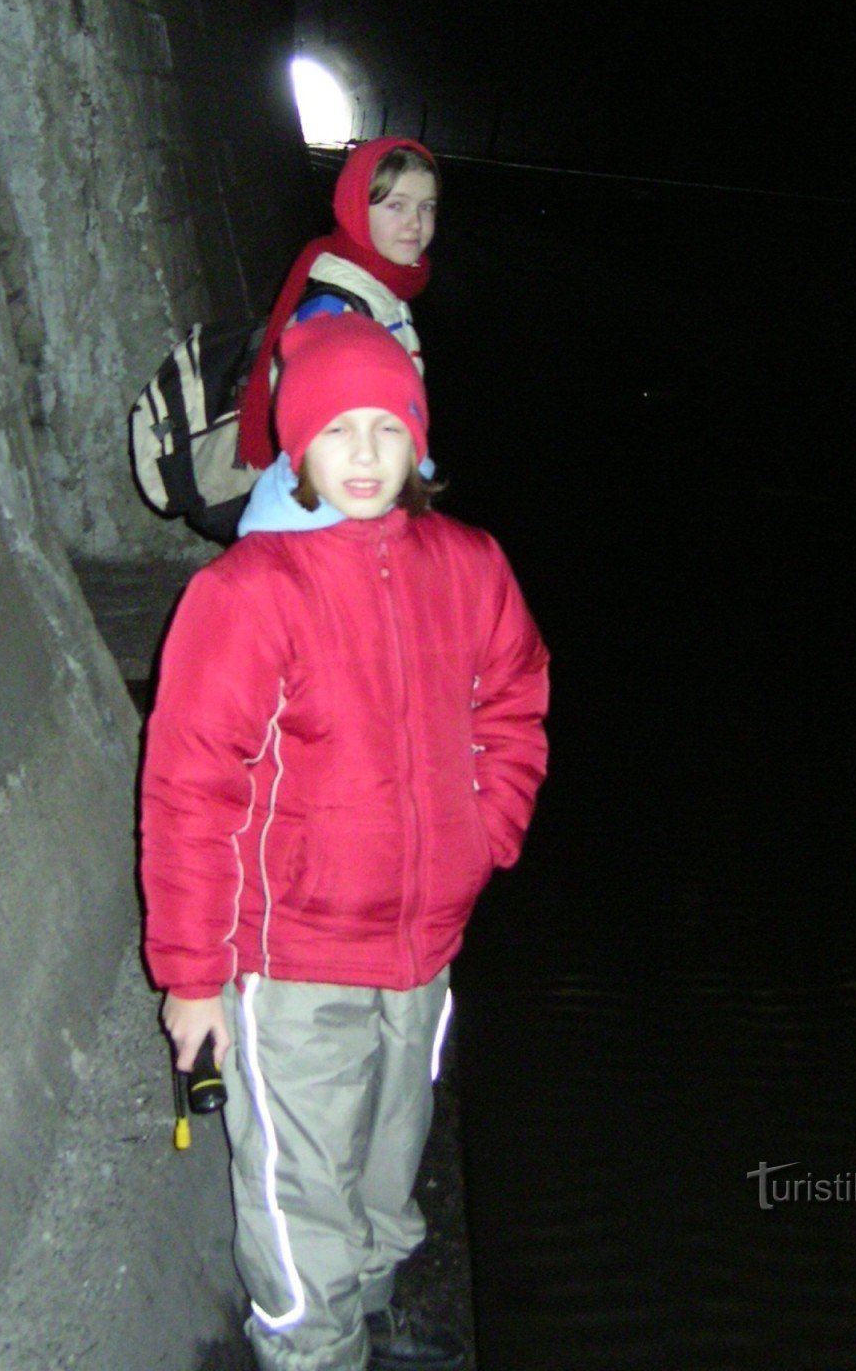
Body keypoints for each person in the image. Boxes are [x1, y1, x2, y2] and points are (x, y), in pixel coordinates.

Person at [140, 312, 549, 1371]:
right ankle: (310, 1353)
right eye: (336, 431)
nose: (364, 454)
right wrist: (192, 978)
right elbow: (189, 791)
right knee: (299, 1190)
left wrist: (486, 829)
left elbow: (514, 699)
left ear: (417, 442)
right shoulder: (245, 595)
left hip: (422, 949)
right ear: (297, 449)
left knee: (386, 1161)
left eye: (385, 427)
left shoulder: (470, 562)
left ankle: (371, 1309)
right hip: (294, 963)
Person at [237, 135, 440, 474]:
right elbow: (323, 454)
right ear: (356, 208)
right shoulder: (334, 313)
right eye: (396, 205)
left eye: (427, 206)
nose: (415, 223)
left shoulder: (380, 286)